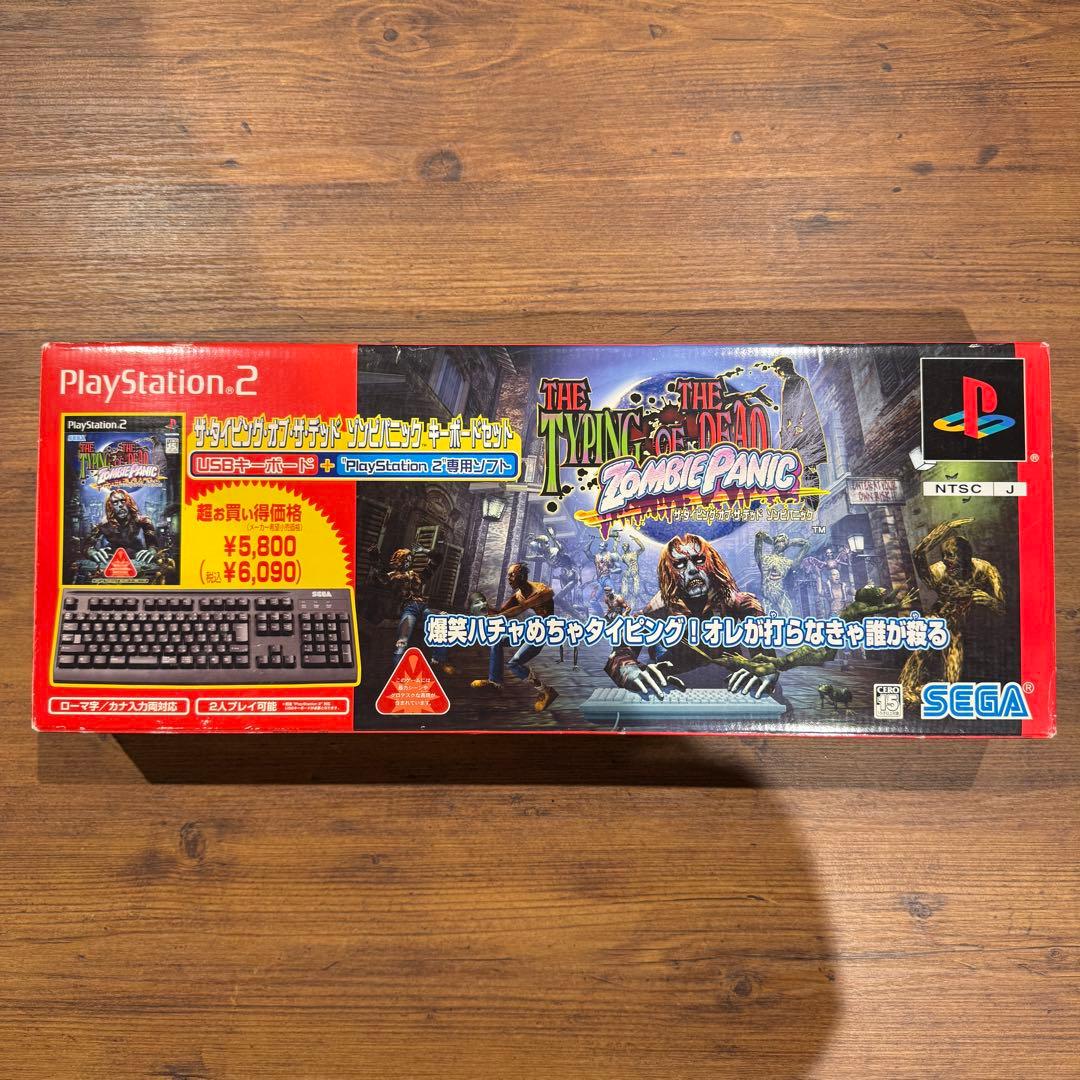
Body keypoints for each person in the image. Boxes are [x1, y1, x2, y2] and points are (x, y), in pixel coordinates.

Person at [471, 563, 559, 711]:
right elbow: (501, 611)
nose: (509, 578)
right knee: (496, 640)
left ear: (522, 576)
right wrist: (484, 608)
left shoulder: (543, 591)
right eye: (508, 575)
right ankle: (495, 682)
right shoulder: (519, 594)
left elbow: (519, 609)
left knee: (514, 664)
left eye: (512, 575)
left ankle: (546, 691)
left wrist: (496, 616)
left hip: (542, 633)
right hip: (530, 629)